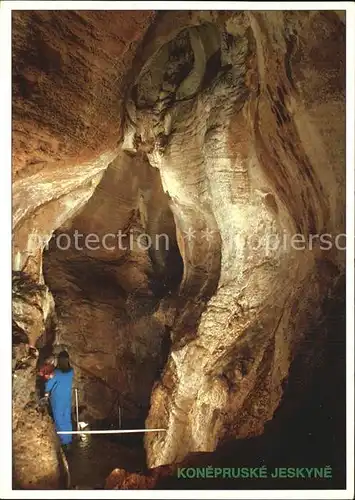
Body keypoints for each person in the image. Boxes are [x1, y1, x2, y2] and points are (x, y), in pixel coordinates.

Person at [44, 350, 74, 447]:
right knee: (67, 419)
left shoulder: (56, 373)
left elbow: (49, 385)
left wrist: (46, 392)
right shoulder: (71, 372)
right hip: (67, 399)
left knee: (59, 419)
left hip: (57, 400)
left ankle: (63, 442)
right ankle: (68, 439)